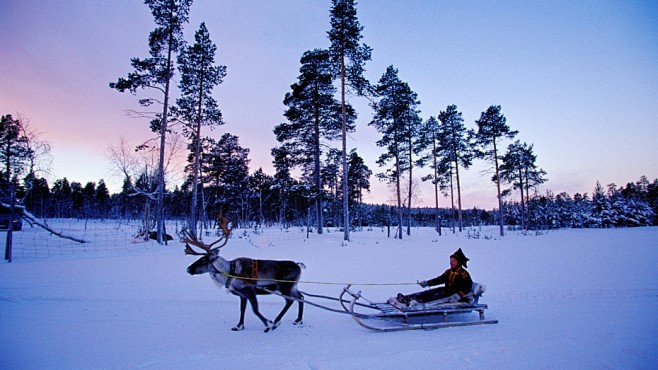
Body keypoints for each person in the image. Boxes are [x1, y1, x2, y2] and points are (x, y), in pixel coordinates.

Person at [397, 248, 473, 306]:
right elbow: (439, 279)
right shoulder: (449, 272)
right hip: (446, 290)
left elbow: (467, 288)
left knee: (435, 296)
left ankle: (417, 302)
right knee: (429, 292)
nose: (451, 262)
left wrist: (458, 295)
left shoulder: (463, 274)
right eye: (450, 260)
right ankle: (408, 298)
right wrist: (427, 283)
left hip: (454, 295)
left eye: (453, 261)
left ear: (458, 262)